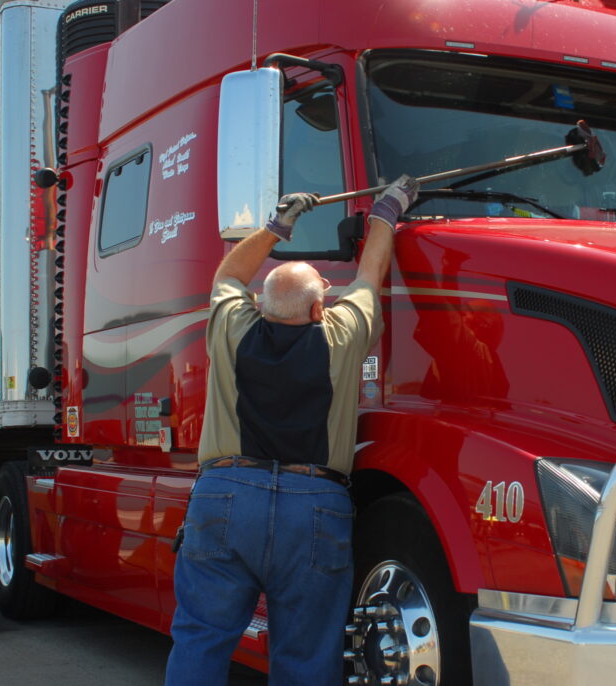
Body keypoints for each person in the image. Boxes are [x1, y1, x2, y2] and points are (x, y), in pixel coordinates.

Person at [164, 175, 419, 686]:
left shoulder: (233, 327)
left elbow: (229, 276)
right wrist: (386, 214)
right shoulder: (342, 336)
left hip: (226, 497)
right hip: (314, 506)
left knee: (200, 638)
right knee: (305, 655)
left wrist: (277, 227)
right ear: (320, 310)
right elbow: (369, 275)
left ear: (260, 305)